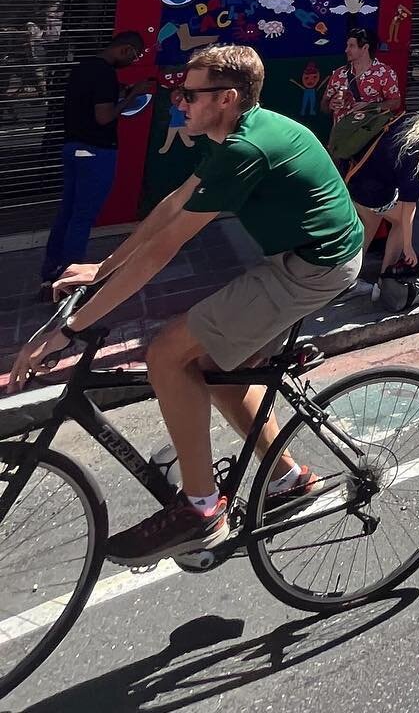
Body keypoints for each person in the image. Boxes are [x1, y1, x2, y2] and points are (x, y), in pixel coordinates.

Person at [10, 43, 364, 565]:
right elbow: (171, 208)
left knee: (166, 353)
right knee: (212, 362)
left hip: (315, 267)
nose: (179, 102)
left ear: (225, 98)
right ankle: (289, 477)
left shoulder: (247, 148)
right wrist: (101, 269)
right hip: (303, 255)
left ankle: (202, 510)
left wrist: (69, 331)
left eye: (189, 94)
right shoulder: (229, 137)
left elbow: (165, 249)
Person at [40, 30, 144, 288]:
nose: (133, 61)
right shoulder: (106, 74)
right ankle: (71, 280)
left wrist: (119, 91)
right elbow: (104, 117)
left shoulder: (83, 68)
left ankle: (50, 273)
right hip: (95, 151)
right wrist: (132, 96)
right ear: (125, 50)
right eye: (134, 55)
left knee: (67, 212)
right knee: (82, 217)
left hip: (73, 148)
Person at [345, 106, 419, 275]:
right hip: (374, 193)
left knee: (368, 228)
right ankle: (386, 278)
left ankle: (347, 279)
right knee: (401, 222)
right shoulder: (418, 152)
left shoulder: (412, 118)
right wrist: (408, 247)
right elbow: (409, 206)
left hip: (354, 179)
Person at [321, 26, 402, 151]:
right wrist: (330, 104)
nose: (346, 50)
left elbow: (395, 103)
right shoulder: (339, 74)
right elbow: (323, 105)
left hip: (370, 139)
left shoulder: (384, 73)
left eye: (351, 46)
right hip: (342, 139)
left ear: (365, 48)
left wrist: (370, 106)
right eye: (347, 45)